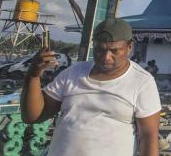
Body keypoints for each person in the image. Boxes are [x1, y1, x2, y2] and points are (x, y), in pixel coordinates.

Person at [20, 18, 161, 156]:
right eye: (100, 49)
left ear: (129, 47)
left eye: (115, 51)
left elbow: (148, 136)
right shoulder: (73, 73)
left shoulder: (142, 82)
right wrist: (33, 75)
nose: (106, 57)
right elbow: (32, 116)